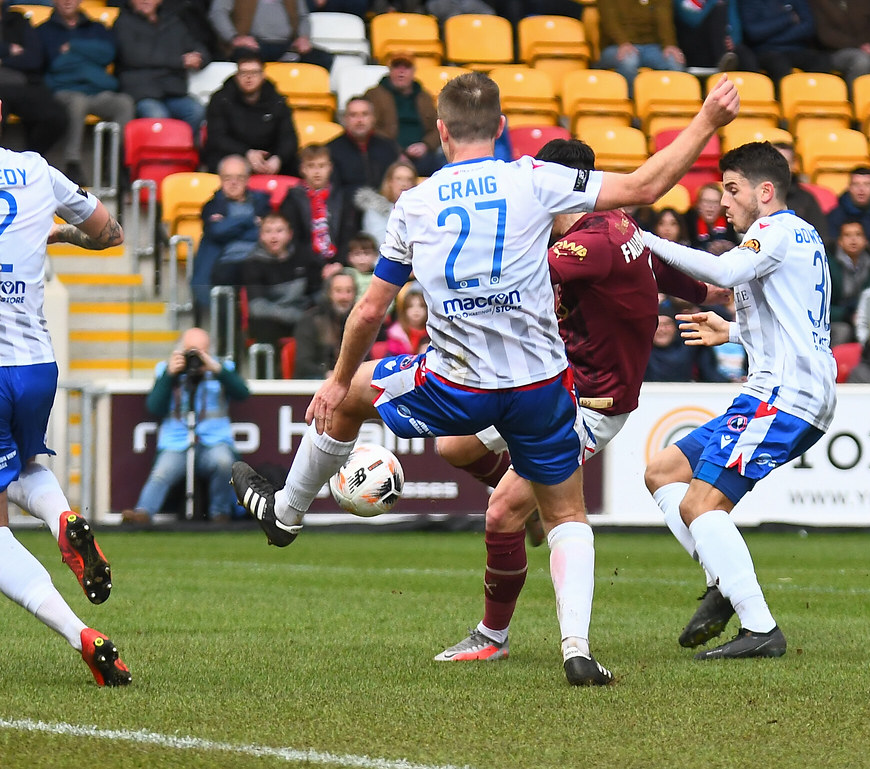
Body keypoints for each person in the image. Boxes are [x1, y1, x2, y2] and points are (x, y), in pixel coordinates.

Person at [229, 71, 740, 686]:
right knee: (567, 512)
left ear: (440, 131)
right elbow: (647, 183)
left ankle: (286, 514)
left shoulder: (415, 203)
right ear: (501, 129)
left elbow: (369, 311)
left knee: (357, 394)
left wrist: (337, 380)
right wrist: (709, 119)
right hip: (541, 388)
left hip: (457, 382)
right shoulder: (535, 179)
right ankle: (575, 648)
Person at [431, 138, 726, 664]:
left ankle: (491, 637)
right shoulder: (619, 225)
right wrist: (711, 294)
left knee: (499, 512)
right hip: (546, 386)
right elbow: (659, 261)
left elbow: (513, 283)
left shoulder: (586, 244)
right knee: (454, 446)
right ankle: (538, 507)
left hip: (590, 403)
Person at [641, 141, 837, 659]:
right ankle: (723, 583)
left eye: (732, 189)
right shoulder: (788, 238)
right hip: (772, 388)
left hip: (786, 394)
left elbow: (723, 274)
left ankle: (760, 628)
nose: (723, 200)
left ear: (764, 191)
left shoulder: (777, 230)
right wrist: (730, 332)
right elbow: (782, 320)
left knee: (700, 505)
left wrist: (645, 240)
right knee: (662, 472)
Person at [0, 116, 131, 686]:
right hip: (36, 364)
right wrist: (58, 233)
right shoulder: (35, 169)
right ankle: (62, 517)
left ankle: (79, 632)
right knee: (23, 467)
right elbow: (113, 234)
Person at [122, 328, 250, 525]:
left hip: (214, 441)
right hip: (177, 441)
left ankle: (221, 515)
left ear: (209, 351)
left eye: (200, 352)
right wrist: (169, 376)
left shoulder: (221, 369)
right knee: (162, 471)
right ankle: (143, 513)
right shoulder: (167, 370)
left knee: (224, 463)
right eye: (190, 351)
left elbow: (243, 393)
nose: (195, 358)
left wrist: (217, 370)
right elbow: (154, 406)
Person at [38, 0, 136, 185]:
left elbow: (107, 54)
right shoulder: (44, 30)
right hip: (62, 92)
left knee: (124, 103)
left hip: (95, 91)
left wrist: (73, 48)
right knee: (78, 101)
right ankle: (72, 162)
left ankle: (116, 167)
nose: (68, 1)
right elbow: (52, 64)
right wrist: (88, 58)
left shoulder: (97, 28)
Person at [191, 155, 272, 320]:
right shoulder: (212, 206)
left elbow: (265, 234)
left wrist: (231, 225)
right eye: (228, 178)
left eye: (239, 178)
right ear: (220, 179)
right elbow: (218, 231)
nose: (233, 183)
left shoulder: (261, 203)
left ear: (248, 179)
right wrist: (250, 221)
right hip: (224, 265)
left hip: (259, 262)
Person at [114, 0, 208, 140]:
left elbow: (198, 47)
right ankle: (162, 159)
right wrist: (179, 61)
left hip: (174, 92)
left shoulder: (173, 22)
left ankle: (182, 155)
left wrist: (199, 58)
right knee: (158, 116)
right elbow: (134, 57)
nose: (145, 1)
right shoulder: (123, 23)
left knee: (196, 111)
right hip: (142, 92)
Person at [202, 50, 299, 177]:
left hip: (268, 158)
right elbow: (217, 137)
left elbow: (289, 137)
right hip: (232, 155)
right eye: (244, 73)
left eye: (254, 72)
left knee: (297, 164)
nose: (249, 77)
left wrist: (278, 159)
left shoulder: (278, 101)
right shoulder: (221, 99)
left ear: (263, 75)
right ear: (237, 75)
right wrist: (246, 153)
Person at [241, 211, 321, 350]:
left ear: (289, 234)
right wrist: (295, 315)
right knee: (264, 326)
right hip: (273, 320)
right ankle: (270, 371)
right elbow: (257, 307)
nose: (273, 236)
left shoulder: (304, 257)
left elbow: (316, 293)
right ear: (261, 235)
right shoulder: (252, 263)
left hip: (301, 316)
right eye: (268, 231)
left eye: (279, 231)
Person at [326, 97, 402, 240]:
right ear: (345, 119)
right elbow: (334, 191)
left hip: (386, 214)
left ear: (373, 118)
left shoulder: (388, 148)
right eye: (353, 115)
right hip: (348, 218)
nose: (359, 120)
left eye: (364, 114)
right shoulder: (332, 150)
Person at [0, 4, 69, 159]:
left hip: (24, 84)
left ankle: (29, 161)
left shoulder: (18, 20)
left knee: (56, 116)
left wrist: (3, 62)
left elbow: (33, 59)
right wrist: (8, 49)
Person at [364, 52, 444, 177]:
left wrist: (425, 145)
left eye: (406, 67)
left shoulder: (424, 97)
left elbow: (437, 126)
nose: (401, 72)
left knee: (445, 164)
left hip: (424, 155)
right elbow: (370, 128)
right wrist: (397, 151)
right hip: (387, 155)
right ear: (390, 70)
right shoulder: (374, 95)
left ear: (413, 71)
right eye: (396, 67)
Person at [279, 144, 348, 277]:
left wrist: (339, 262)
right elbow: (294, 239)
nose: (317, 172)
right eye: (311, 166)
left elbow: (348, 233)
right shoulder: (292, 199)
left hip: (339, 264)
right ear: (302, 169)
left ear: (330, 168)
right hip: (305, 266)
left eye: (321, 166)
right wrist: (320, 267)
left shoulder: (341, 197)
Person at [207, 0, 334, 71]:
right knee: (246, 59)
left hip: (288, 46)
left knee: (323, 59)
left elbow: (303, 16)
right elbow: (218, 13)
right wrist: (234, 38)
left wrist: (303, 37)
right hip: (253, 45)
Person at [595, 0, 685, 97]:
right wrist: (623, 42)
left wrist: (669, 44)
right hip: (615, 46)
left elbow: (664, 19)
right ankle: (630, 103)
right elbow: (609, 21)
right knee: (629, 60)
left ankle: (670, 106)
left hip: (651, 46)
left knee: (674, 61)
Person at [808, 0, 870, 91]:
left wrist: (868, 43)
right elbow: (826, 35)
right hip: (836, 50)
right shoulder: (819, 2)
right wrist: (858, 45)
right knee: (861, 61)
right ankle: (859, 100)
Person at [737, 0, 830, 87]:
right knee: (778, 63)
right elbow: (754, 32)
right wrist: (789, 18)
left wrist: (771, 36)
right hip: (765, 51)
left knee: (821, 60)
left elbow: (808, 27)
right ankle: (787, 102)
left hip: (796, 49)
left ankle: (815, 101)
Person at [293, 269, 358, 379]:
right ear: (328, 293)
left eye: (349, 291)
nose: (344, 297)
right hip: (316, 381)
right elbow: (304, 363)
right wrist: (329, 375)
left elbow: (366, 359)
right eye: (338, 291)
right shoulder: (310, 320)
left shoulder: (358, 321)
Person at [645, 302, 725, 382]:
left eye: (667, 324)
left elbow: (710, 373)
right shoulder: (640, 351)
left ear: (675, 328)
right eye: (657, 325)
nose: (662, 330)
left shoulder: (691, 345)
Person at [828, 220, 870, 346]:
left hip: (864, 316)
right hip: (834, 319)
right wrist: (845, 315)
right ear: (840, 241)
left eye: (858, 235)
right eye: (847, 235)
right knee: (843, 331)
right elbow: (818, 304)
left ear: (865, 240)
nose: (853, 240)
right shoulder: (827, 263)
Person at [353, 158, 418, 249]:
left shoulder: (421, 209)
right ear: (390, 182)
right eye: (399, 179)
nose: (404, 184)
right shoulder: (375, 209)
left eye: (409, 179)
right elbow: (380, 242)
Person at [771, 141, 828, 240]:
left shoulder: (807, 200)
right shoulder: (754, 196)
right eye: (775, 163)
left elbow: (821, 238)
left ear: (793, 166)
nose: (779, 168)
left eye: (785, 163)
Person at [684, 182, 738, 253]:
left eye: (715, 202)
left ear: (721, 206)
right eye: (706, 201)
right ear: (698, 204)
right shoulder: (687, 224)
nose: (710, 206)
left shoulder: (732, 223)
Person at [384, 282, 428, 356]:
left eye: (421, 306)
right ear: (404, 309)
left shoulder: (431, 332)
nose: (416, 310)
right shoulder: (396, 335)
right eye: (411, 306)